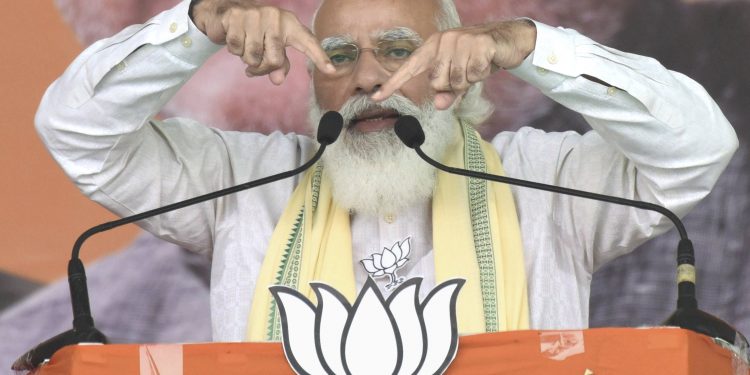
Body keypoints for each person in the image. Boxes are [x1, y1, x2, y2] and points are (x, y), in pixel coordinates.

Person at [35, 0, 737, 342]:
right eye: (336, 56)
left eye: (399, 49)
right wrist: (193, 28)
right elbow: (78, 131)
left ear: (461, 69)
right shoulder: (246, 186)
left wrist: (530, 46)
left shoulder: (543, 186)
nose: (367, 77)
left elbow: (694, 148)